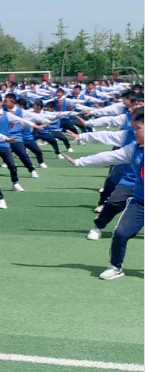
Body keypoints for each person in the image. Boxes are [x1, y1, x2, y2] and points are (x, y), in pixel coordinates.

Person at [64, 107, 143, 280]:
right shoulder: (133, 148)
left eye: (138, 128)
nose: (134, 132)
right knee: (120, 233)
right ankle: (116, 267)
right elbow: (109, 156)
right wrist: (80, 162)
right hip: (140, 202)